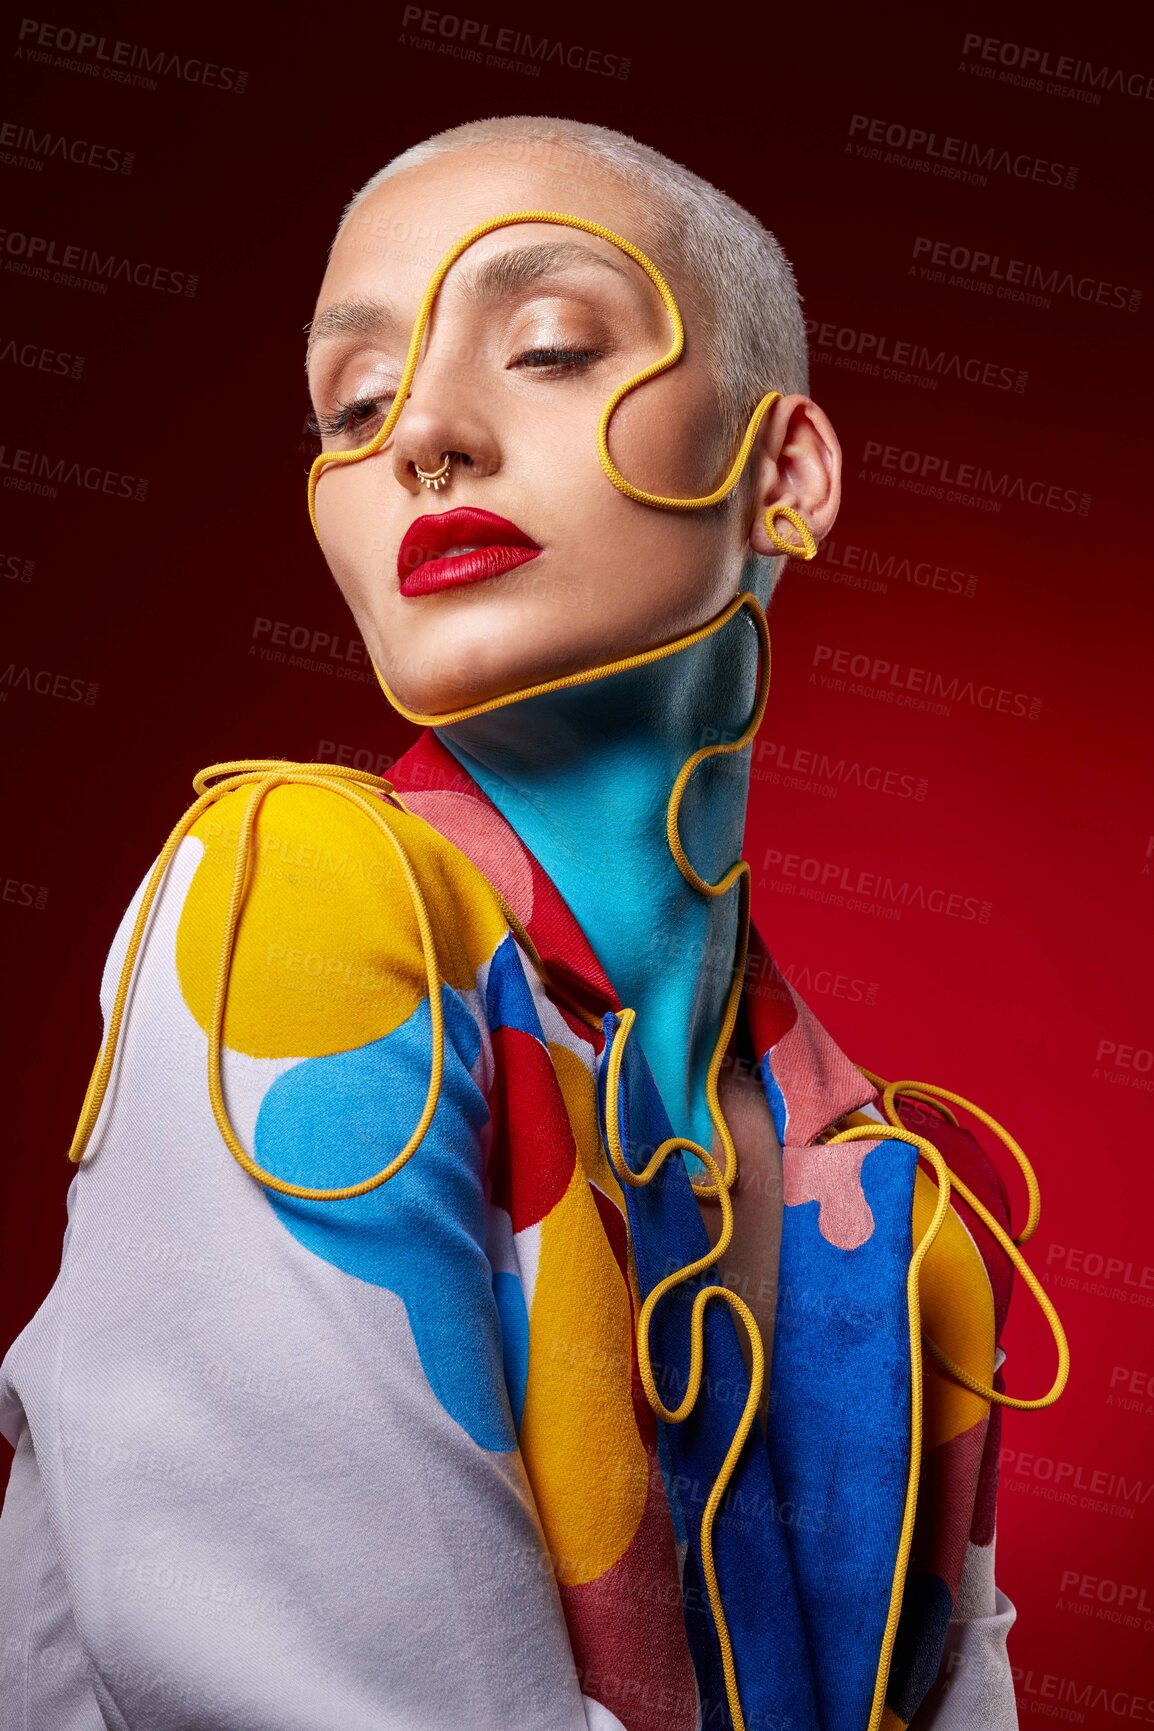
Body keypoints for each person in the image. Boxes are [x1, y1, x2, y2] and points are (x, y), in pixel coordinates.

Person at [0, 116, 1067, 1731]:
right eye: (351, 408)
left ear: (783, 476)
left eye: (552, 348)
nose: (419, 430)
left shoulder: (900, 1209)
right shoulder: (290, 902)